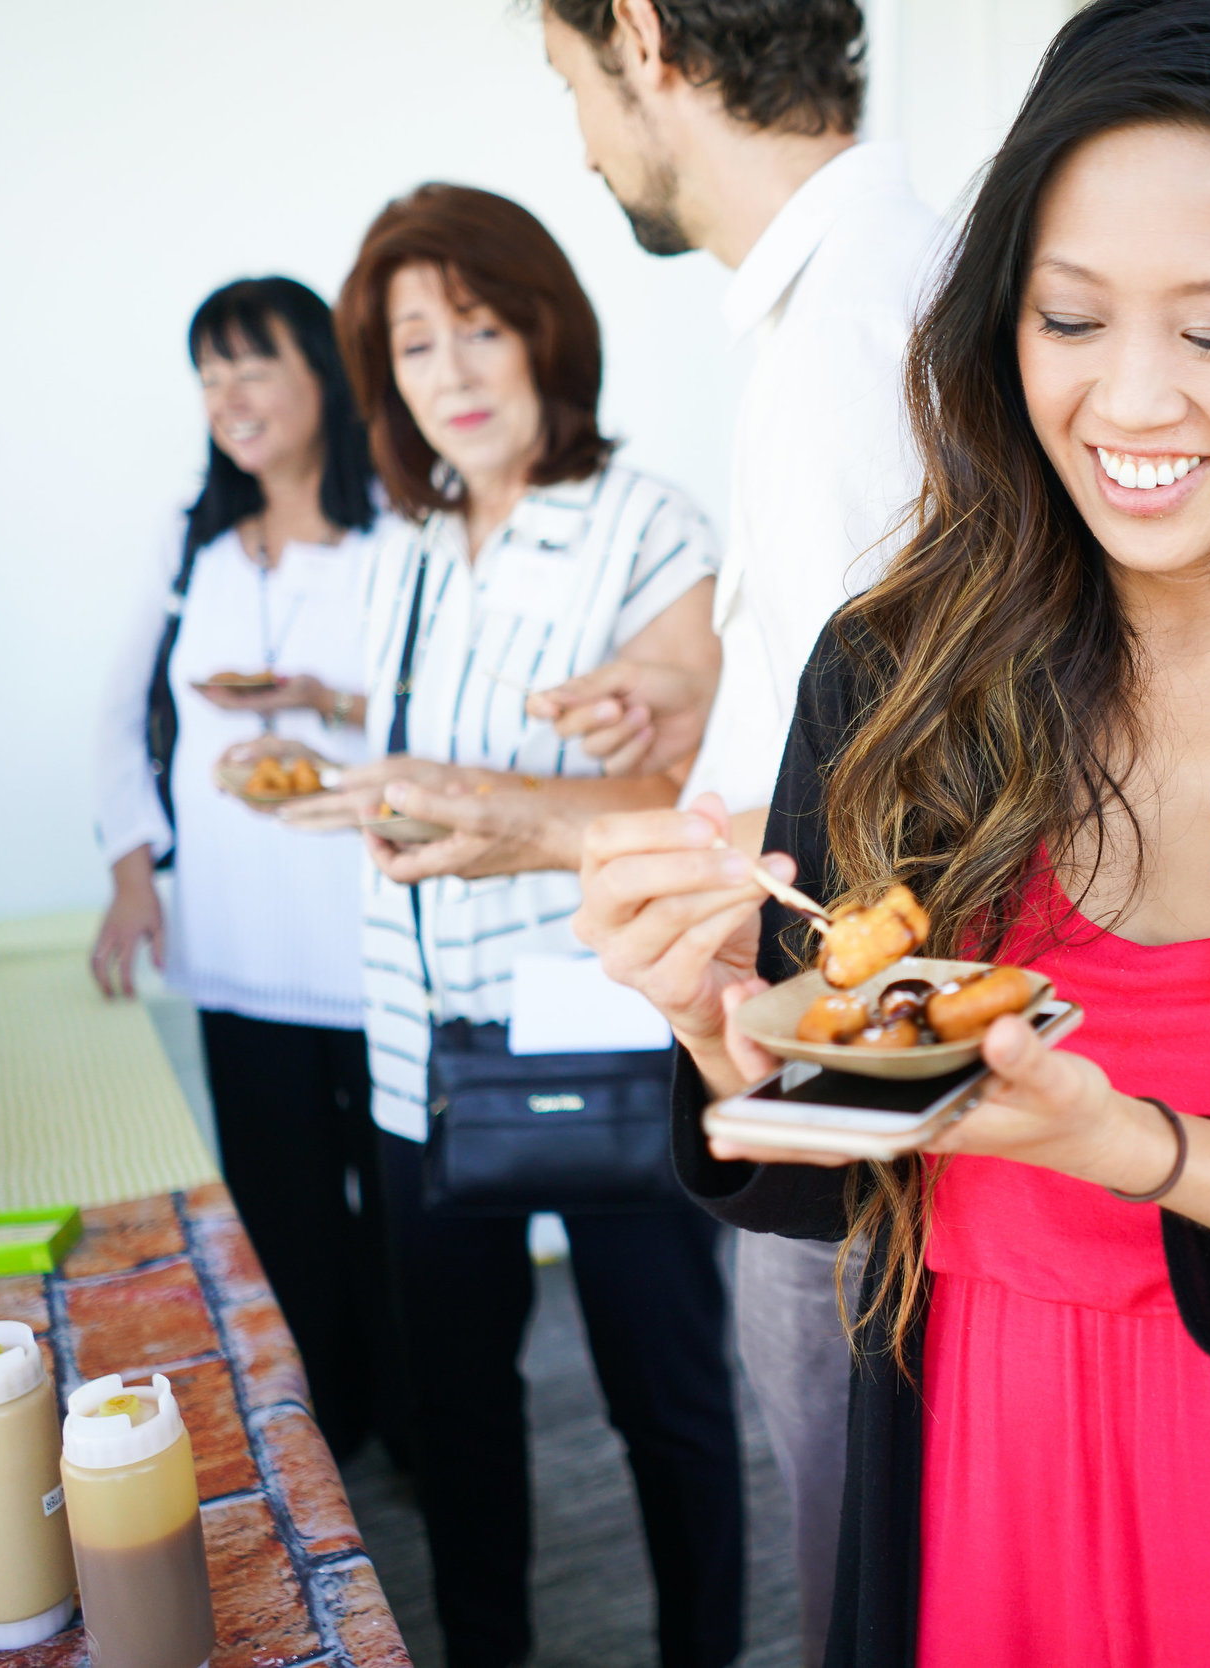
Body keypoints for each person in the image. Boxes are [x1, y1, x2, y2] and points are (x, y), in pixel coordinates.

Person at [577, 3, 1210, 1662]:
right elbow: (830, 1164)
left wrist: (1134, 1146)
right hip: (978, 1489)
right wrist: (724, 1031)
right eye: (1069, 317)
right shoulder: (899, 668)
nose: (1128, 403)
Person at [386, 7, 941, 1659]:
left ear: (643, 36)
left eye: (569, 83)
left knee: (867, 1571)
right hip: (799, 1066)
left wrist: (557, 837)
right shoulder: (837, 305)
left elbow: (888, 820)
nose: (578, 137)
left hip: (838, 1095)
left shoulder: (847, 334)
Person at [305, 183, 743, 1668]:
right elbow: (413, 778)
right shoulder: (407, 548)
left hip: (600, 1028)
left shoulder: (648, 524)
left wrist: (472, 792)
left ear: (545, 329)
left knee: (665, 1400)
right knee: (457, 1410)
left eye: (479, 329)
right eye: (415, 347)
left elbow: (690, 786)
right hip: (416, 1049)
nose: (453, 375)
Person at [88, 276, 393, 1459]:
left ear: (323, 373)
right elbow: (114, 715)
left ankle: (419, 1429)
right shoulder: (191, 541)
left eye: (252, 367)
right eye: (209, 377)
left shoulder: (399, 533)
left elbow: (452, 717)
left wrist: (325, 700)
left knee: (402, 1224)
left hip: (373, 945)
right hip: (241, 946)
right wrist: (132, 866)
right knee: (283, 1222)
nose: (229, 399)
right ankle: (324, 1438)